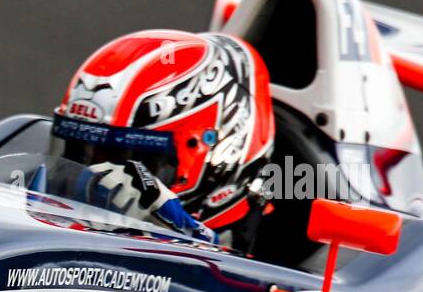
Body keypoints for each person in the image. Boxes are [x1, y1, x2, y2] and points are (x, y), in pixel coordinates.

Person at [44, 29, 275, 246]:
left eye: (120, 164)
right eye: (79, 154)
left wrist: (187, 233)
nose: (90, 181)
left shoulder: (286, 261)